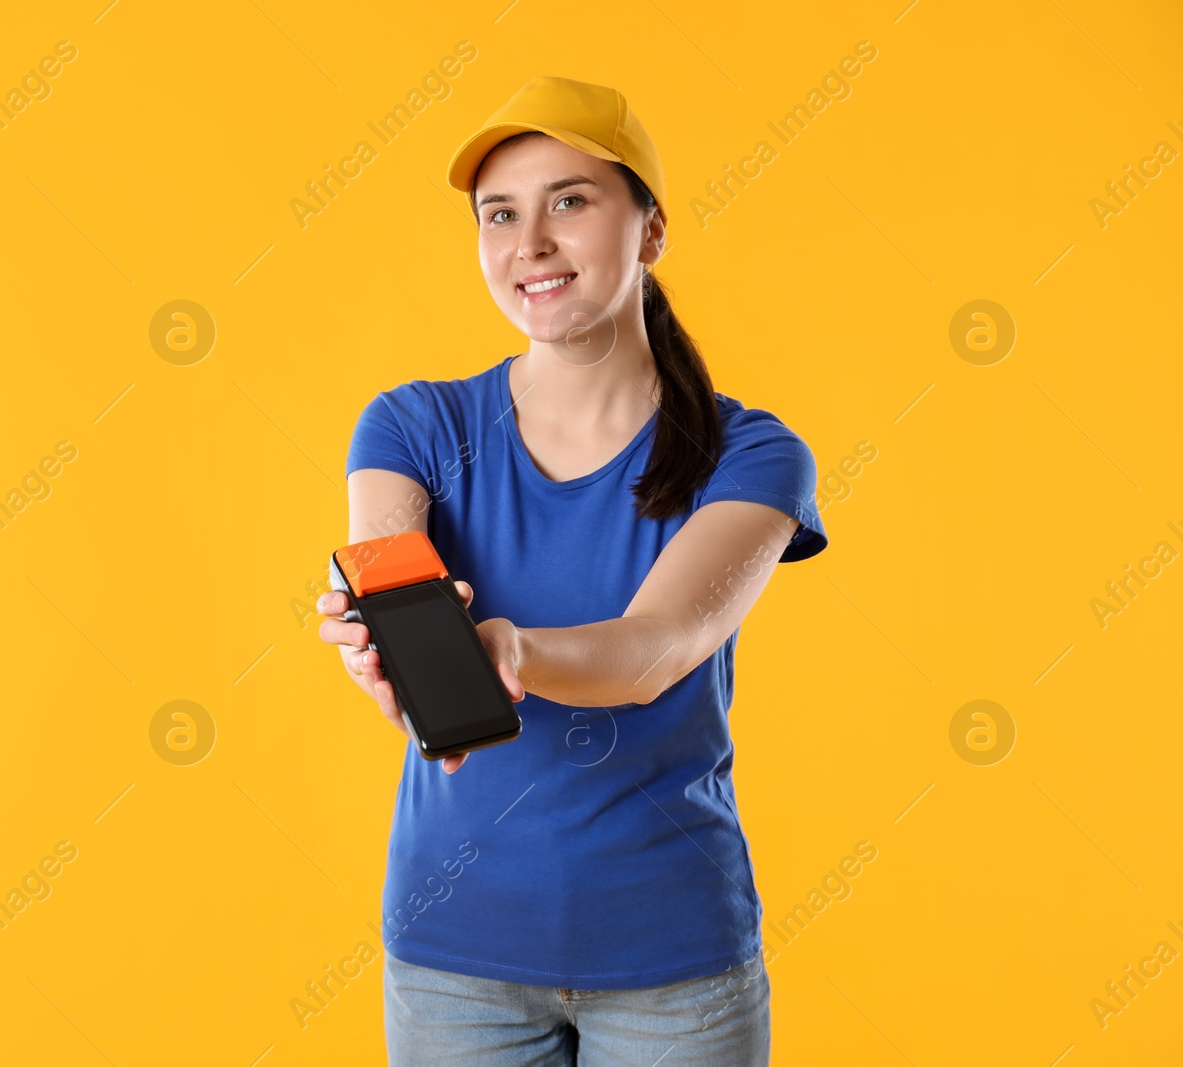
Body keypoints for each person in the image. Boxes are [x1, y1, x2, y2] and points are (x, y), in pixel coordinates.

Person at [316, 76, 829, 1065]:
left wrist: (507, 646)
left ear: (651, 230)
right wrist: (377, 654)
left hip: (672, 960)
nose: (529, 243)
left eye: (571, 200)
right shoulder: (411, 426)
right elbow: (391, 587)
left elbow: (657, 647)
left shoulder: (752, 454)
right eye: (498, 213)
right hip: (451, 955)